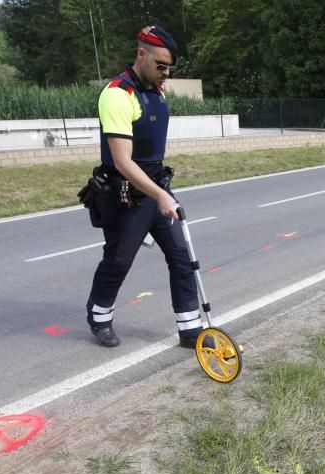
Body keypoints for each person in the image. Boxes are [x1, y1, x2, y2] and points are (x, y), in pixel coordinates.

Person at [84, 25, 206, 349]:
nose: (166, 73)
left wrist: (161, 191)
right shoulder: (117, 95)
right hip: (125, 195)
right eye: (160, 65)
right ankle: (98, 315)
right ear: (142, 54)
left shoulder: (157, 90)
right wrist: (160, 195)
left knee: (181, 256)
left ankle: (191, 328)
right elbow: (123, 161)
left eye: (169, 67)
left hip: (156, 189)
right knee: (119, 260)